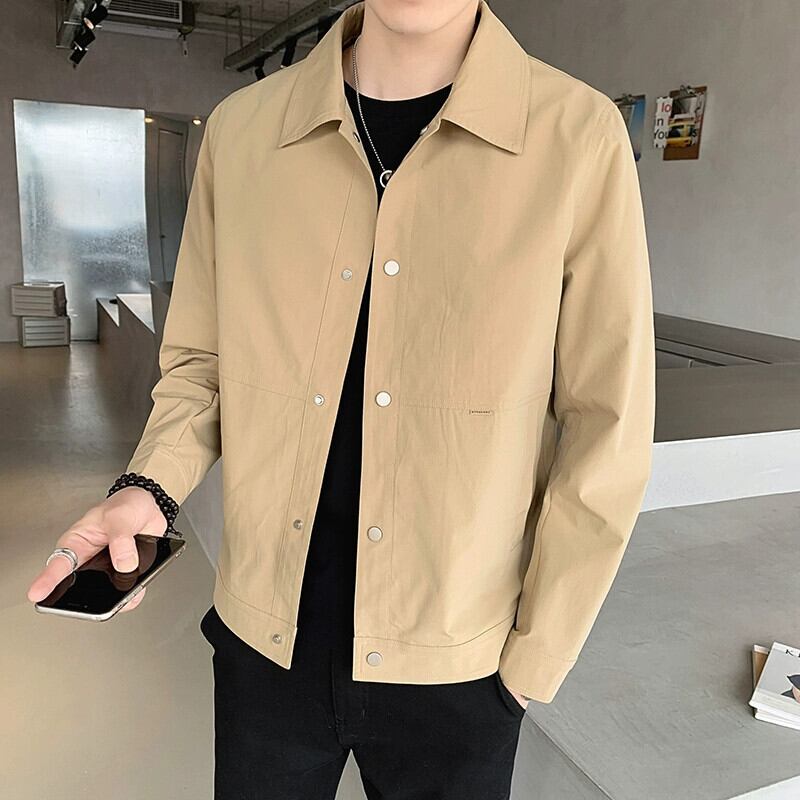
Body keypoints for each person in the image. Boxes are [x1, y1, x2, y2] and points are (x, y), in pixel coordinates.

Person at [27, 0, 656, 797]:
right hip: (264, 645)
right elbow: (201, 365)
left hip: (460, 668)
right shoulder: (243, 133)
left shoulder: (578, 137)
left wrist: (533, 662)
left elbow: (609, 425)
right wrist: (147, 487)